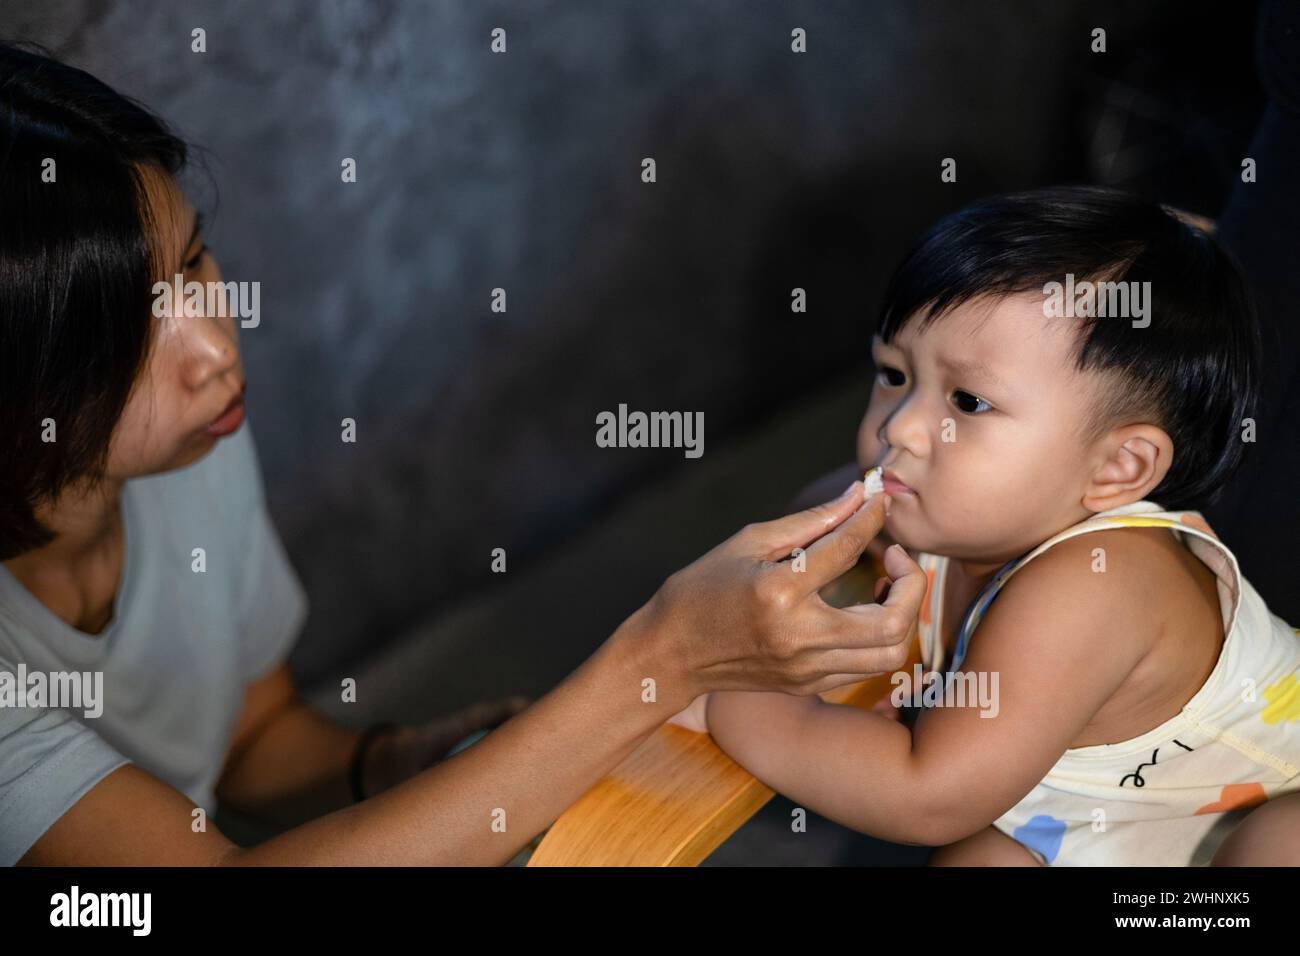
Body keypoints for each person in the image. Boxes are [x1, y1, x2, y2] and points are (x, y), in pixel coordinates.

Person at [0, 42, 924, 866]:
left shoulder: (186, 445)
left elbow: (249, 740)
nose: (216, 349)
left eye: (195, 266)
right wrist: (665, 654)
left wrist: (396, 761)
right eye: (126, 343)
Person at [670, 187, 1300, 866]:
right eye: (893, 373)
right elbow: (812, 519)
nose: (900, 426)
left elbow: (927, 797)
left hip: (1266, 801)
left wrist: (735, 700)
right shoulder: (945, 511)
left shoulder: (1102, 580)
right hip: (1112, 827)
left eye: (968, 401)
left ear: (1117, 466)